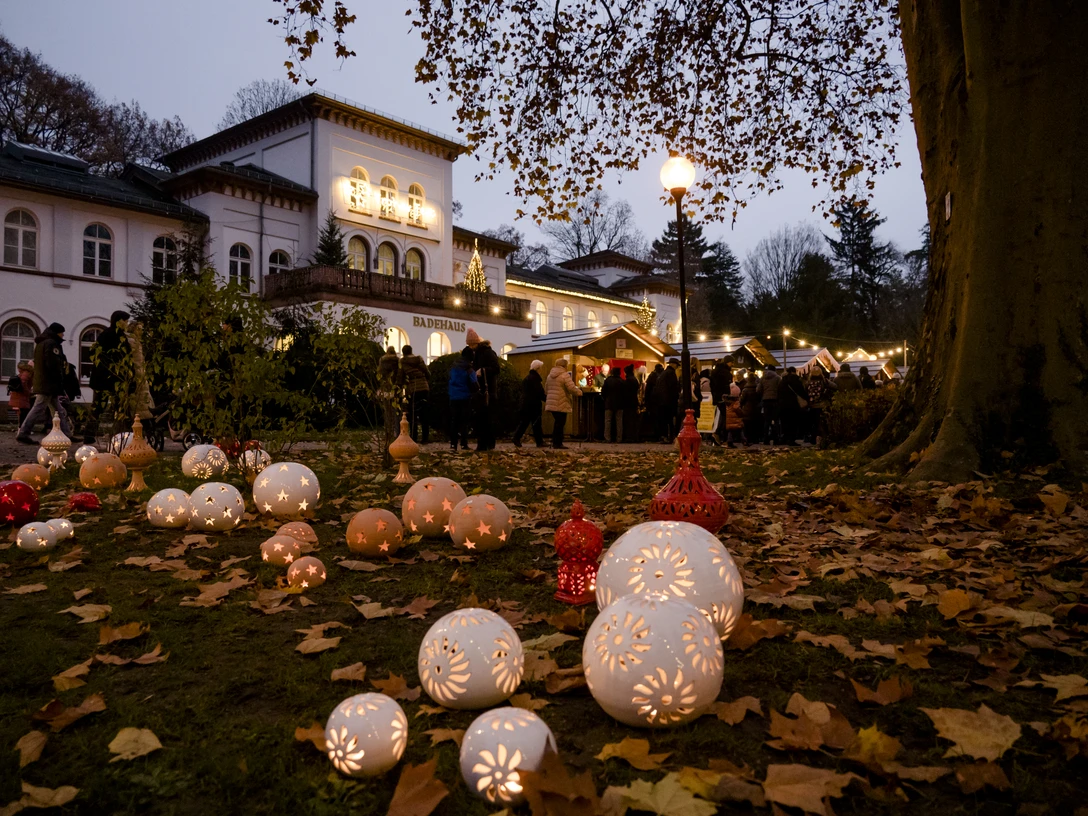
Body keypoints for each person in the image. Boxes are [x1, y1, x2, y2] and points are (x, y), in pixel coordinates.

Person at [16, 322, 71, 443]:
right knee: (38, 408)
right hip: (48, 384)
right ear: (57, 333)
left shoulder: (41, 344)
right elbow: (53, 364)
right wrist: (59, 378)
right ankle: (24, 433)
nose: (62, 336)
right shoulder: (51, 344)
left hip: (44, 382)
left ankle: (67, 433)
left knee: (58, 410)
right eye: (62, 333)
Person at [466, 328, 500, 451]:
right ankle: (486, 444)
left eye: (471, 344)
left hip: (488, 391)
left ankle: (485, 444)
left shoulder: (487, 353)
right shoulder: (478, 353)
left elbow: (496, 369)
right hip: (483, 390)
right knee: (483, 418)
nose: (470, 347)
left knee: (485, 419)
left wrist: (483, 370)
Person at [544, 358, 581, 449]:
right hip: (561, 401)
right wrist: (579, 392)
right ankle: (558, 443)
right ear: (564, 366)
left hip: (551, 402)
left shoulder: (550, 376)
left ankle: (555, 442)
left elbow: (546, 389)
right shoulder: (565, 375)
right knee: (560, 424)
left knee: (557, 423)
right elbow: (571, 388)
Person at [447, 347, 478, 451]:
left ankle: (453, 444)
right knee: (464, 422)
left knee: (454, 421)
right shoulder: (469, 369)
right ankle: (464, 444)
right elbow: (474, 384)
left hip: (453, 396)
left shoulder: (453, 367)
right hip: (465, 397)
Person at [399, 344, 430, 444]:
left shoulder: (402, 362)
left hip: (412, 389)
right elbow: (427, 373)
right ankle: (425, 438)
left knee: (412, 414)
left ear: (403, 353)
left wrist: (400, 387)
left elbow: (400, 377)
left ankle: (413, 437)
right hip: (424, 388)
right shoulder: (419, 359)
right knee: (425, 414)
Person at [512, 359, 546, 448]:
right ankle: (539, 441)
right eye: (541, 368)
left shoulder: (527, 378)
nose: (541, 370)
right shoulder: (535, 379)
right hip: (533, 405)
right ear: (538, 369)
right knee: (536, 424)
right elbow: (539, 392)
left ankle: (517, 437)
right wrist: (547, 399)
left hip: (526, 404)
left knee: (525, 422)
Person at [377, 345, 401, 465]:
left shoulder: (382, 361)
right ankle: (396, 433)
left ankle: (387, 432)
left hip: (385, 388)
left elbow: (379, 375)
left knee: (387, 412)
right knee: (396, 412)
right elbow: (399, 375)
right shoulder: (397, 361)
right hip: (394, 389)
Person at [806, 367, 836, 445]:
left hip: (812, 405)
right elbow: (835, 386)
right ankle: (824, 438)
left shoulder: (808, 382)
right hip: (823, 404)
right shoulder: (824, 381)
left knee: (814, 423)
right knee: (823, 423)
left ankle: (813, 438)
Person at [653, 359, 680, 442]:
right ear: (673, 364)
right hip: (669, 401)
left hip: (661, 401)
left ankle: (663, 436)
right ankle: (670, 437)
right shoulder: (671, 373)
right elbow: (673, 388)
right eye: (676, 365)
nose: (677, 367)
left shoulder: (663, 374)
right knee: (669, 420)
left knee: (663, 420)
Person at [780, 366, 807, 445]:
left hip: (783, 404)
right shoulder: (797, 380)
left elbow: (779, 392)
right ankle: (791, 440)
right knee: (793, 423)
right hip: (794, 404)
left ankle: (785, 438)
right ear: (794, 371)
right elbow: (801, 391)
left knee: (785, 422)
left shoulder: (782, 381)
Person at [758, 365, 782, 444]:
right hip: (775, 401)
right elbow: (780, 388)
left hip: (765, 401)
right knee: (775, 420)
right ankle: (776, 439)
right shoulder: (778, 378)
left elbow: (758, 389)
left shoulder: (763, 378)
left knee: (767, 421)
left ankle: (766, 439)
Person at [601, 366, 624, 443]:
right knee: (619, 421)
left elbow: (603, 391)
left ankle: (607, 438)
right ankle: (619, 438)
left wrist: (605, 399)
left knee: (608, 421)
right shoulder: (621, 381)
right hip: (620, 403)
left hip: (609, 403)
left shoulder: (608, 380)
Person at [7, 361, 33, 426]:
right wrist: (28, 392)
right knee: (23, 413)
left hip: (19, 396)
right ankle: (21, 429)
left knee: (22, 413)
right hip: (22, 397)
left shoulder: (22, 374)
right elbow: (24, 384)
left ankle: (21, 428)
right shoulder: (26, 373)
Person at [739, 373, 762, 445]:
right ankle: (756, 439)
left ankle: (748, 439)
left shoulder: (745, 389)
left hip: (747, 410)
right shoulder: (757, 388)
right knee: (755, 425)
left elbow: (742, 400)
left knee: (747, 426)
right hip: (756, 410)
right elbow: (760, 398)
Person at [622, 365, 640, 442]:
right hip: (633, 401)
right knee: (633, 420)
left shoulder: (628, 380)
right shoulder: (634, 379)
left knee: (629, 420)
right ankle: (634, 436)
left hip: (628, 402)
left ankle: (630, 437)